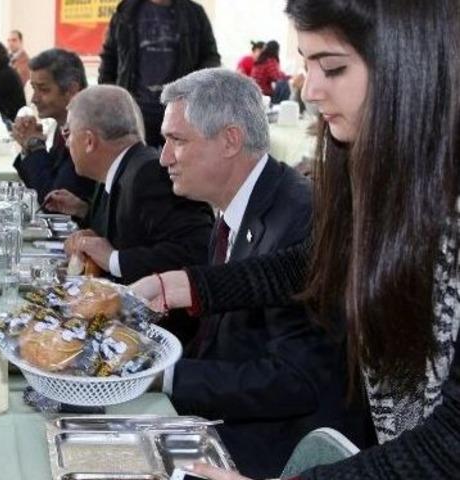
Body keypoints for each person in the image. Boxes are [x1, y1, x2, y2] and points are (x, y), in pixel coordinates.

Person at [133, 0, 460, 478]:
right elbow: (314, 267)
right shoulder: (373, 173)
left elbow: (448, 445)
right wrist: (183, 286)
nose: (310, 89)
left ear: (410, 64)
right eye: (307, 64)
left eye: (334, 68)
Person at [157, 68, 372, 476]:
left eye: (177, 140)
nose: (164, 157)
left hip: (277, 452)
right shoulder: (238, 207)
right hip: (231, 422)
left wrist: (165, 377)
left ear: (230, 141)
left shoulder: (302, 217)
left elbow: (296, 380)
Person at [45, 84, 212, 285]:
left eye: (68, 134)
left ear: (89, 141)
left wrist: (113, 260)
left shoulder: (149, 173)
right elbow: (132, 228)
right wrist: (86, 216)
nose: (67, 143)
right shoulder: (121, 168)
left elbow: (196, 250)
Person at [98, 0, 220, 148]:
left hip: (181, 110)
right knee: (137, 160)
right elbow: (109, 59)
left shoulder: (194, 13)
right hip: (135, 112)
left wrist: (196, 92)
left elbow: (210, 57)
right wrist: (109, 101)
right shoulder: (126, 12)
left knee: (181, 159)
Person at [11, 48, 97, 205]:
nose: (34, 99)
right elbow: (42, 182)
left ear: (71, 90)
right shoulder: (62, 125)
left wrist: (35, 146)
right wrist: (28, 146)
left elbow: (54, 202)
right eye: (34, 89)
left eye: (43, 90)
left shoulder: (87, 132)